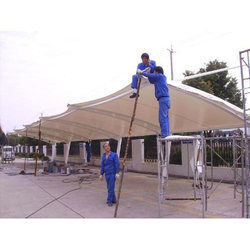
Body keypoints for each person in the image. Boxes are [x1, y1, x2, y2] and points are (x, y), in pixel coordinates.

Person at [141, 66, 170, 137]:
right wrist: (146, 74)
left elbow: (151, 75)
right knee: (165, 117)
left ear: (156, 72)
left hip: (163, 99)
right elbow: (151, 80)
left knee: (162, 117)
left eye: (154, 72)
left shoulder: (160, 76)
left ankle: (164, 134)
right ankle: (166, 133)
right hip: (165, 99)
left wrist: (142, 72)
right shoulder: (161, 78)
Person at [99, 142, 120, 206]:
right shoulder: (103, 156)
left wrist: (117, 172)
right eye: (105, 146)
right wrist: (101, 174)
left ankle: (109, 201)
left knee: (111, 187)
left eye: (108, 146)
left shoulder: (114, 155)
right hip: (107, 174)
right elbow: (102, 165)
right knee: (109, 187)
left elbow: (117, 164)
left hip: (112, 174)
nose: (107, 147)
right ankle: (114, 200)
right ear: (104, 148)